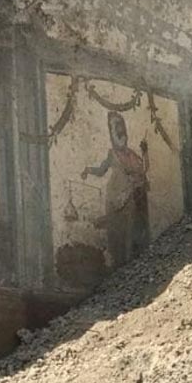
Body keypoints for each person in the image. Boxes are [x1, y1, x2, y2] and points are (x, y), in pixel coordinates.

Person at [81, 111, 151, 267]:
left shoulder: (132, 154)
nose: (120, 133)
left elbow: (144, 169)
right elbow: (101, 170)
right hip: (118, 199)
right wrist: (87, 170)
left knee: (136, 233)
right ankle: (121, 265)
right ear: (111, 134)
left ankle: (136, 263)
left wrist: (145, 152)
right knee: (119, 235)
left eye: (122, 128)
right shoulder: (113, 154)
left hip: (135, 199)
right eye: (116, 129)